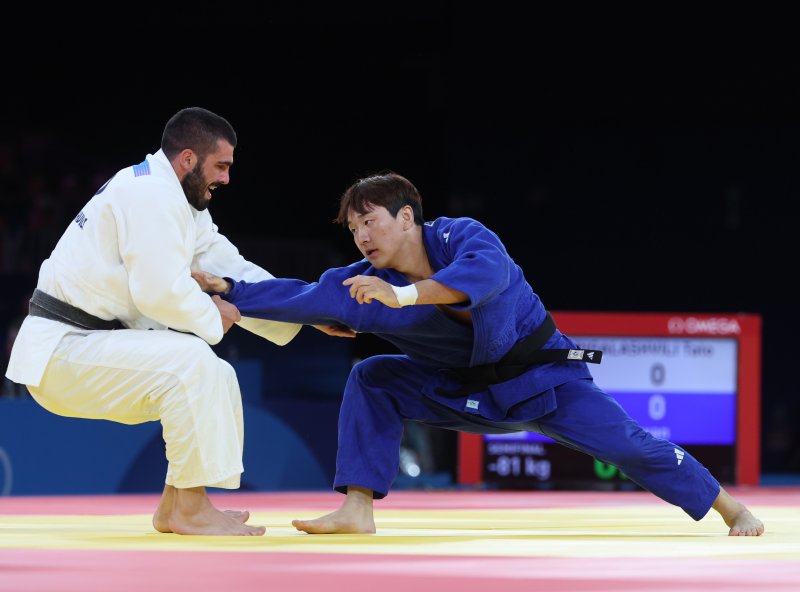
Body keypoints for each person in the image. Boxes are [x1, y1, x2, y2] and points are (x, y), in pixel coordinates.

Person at [193, 171, 765, 537]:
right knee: (373, 376)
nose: (362, 236)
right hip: (464, 392)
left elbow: (482, 279)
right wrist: (231, 293)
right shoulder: (368, 285)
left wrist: (405, 295)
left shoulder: (465, 238)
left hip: (543, 382)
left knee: (631, 446)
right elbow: (303, 294)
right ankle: (357, 508)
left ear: (407, 215)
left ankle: (729, 508)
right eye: (353, 228)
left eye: (370, 221)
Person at [4, 107, 349, 536]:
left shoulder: (180, 204)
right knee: (191, 362)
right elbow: (158, 289)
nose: (226, 178)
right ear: (188, 158)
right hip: (64, 349)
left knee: (214, 373)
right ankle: (191, 508)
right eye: (220, 166)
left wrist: (307, 309)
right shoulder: (149, 195)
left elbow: (232, 269)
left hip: (89, 345)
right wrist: (212, 315)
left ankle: (176, 504)